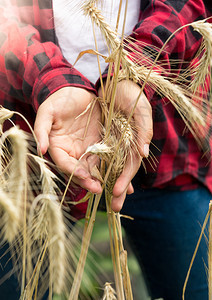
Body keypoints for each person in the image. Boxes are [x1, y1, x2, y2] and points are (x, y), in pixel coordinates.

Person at [0, 0, 211, 299]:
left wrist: (135, 68)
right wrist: (51, 80)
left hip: (163, 137)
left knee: (195, 288)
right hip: (34, 142)